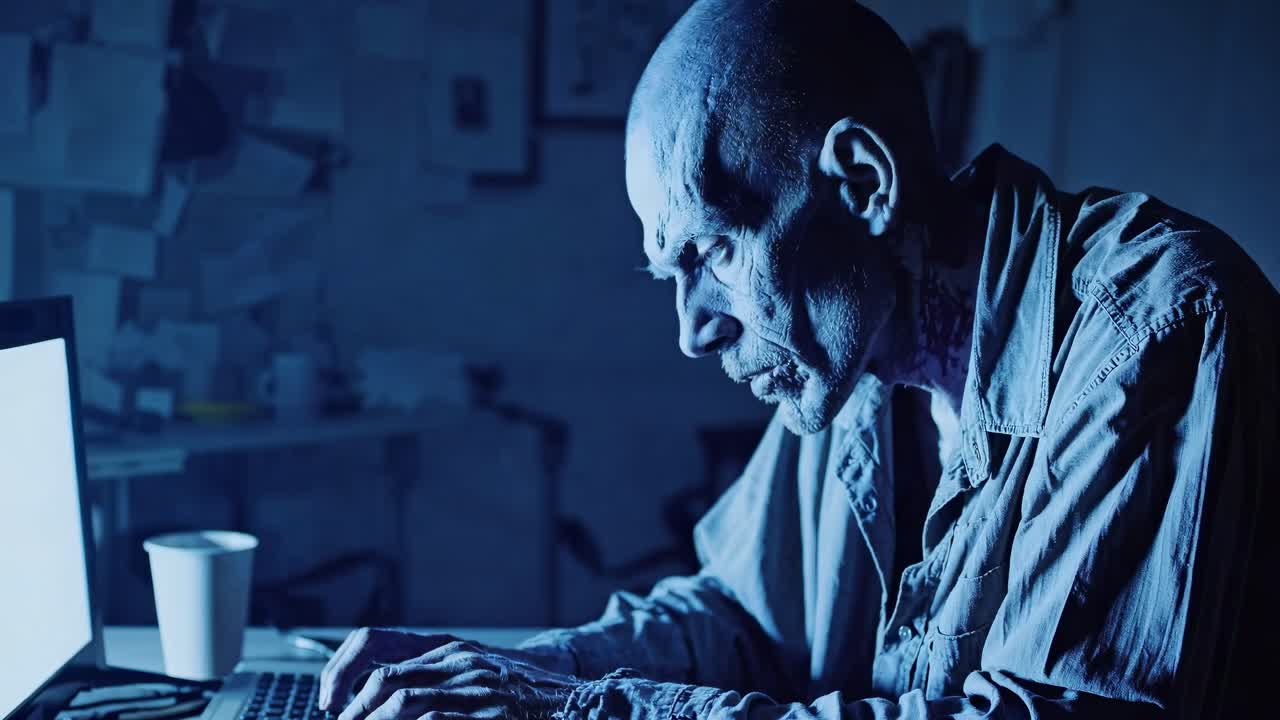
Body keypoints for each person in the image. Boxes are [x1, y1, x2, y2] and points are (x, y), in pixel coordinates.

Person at [317, 1, 1278, 718]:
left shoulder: (1152, 331)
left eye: (714, 254)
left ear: (861, 184)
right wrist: (526, 671)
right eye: (668, 274)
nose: (694, 331)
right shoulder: (853, 346)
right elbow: (742, 616)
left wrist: (573, 710)